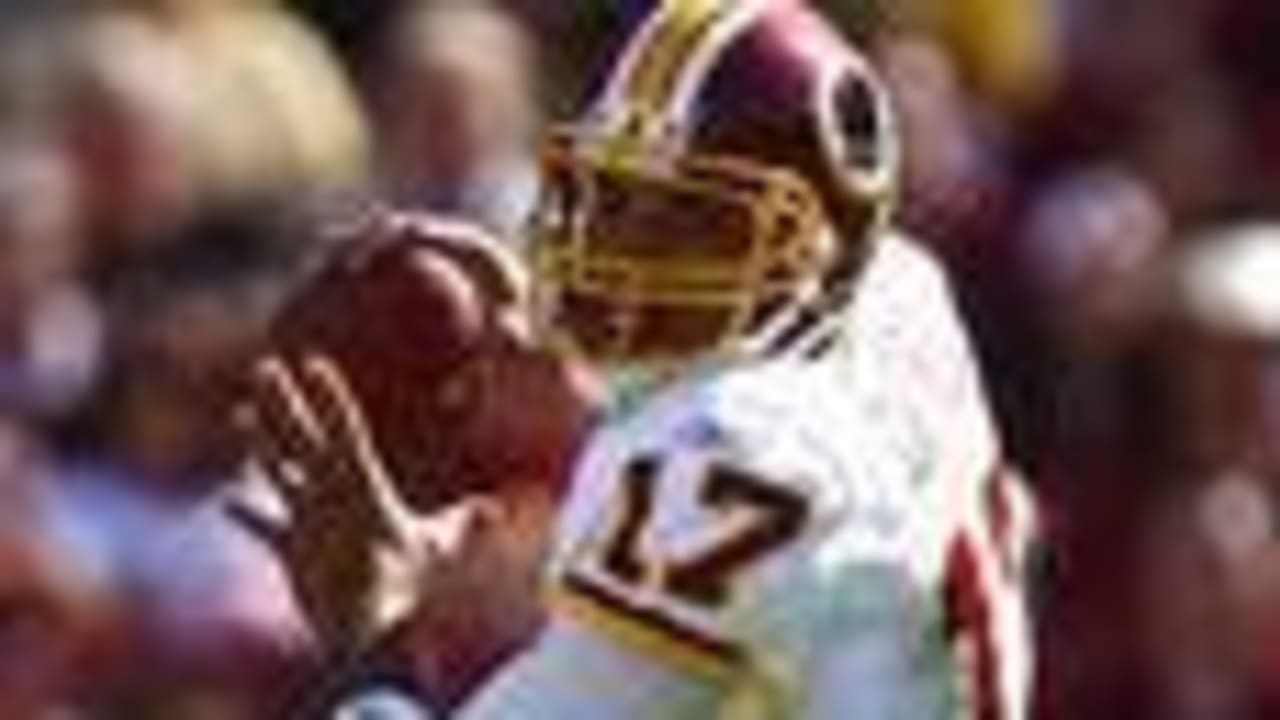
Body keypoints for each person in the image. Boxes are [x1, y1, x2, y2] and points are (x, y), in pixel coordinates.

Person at [245, 1, 1036, 718]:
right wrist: (549, 329)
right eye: (620, 203)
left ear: (812, 249)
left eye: (692, 225)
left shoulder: (725, 448)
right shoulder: (903, 295)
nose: (629, 259)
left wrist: (375, 632)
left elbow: (723, 455)